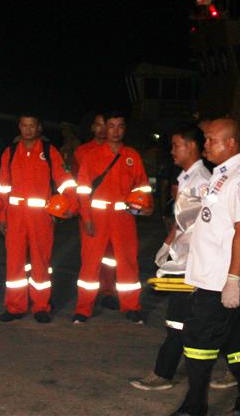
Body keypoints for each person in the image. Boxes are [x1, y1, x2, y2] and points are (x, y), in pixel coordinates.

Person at [170, 118, 240, 416]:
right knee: (239, 343)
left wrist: (233, 280)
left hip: (222, 282)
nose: (205, 144)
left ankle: (194, 406)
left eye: (211, 139)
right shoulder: (223, 174)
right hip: (216, 277)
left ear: (231, 143)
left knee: (198, 341)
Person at [132, 123, 212, 391]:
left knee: (179, 320)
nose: (172, 150)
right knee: (196, 320)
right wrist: (167, 244)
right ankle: (238, 369)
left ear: (190, 146)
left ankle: (162, 373)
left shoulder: (202, 180)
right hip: (182, 257)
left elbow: (207, 223)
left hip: (193, 262)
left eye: (176, 145)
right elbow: (182, 219)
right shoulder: (187, 176)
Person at [0, 112, 76, 323]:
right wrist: (1, 217)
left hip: (41, 217)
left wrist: (70, 204)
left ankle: (41, 306)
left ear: (39, 128)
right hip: (14, 216)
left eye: (32, 126)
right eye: (24, 125)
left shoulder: (50, 152)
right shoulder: (10, 152)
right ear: (19, 128)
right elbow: (3, 187)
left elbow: (64, 180)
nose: (28, 130)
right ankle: (15, 307)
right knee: (14, 264)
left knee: (41, 262)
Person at [74, 111, 152, 324]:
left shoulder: (132, 156)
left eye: (120, 126)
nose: (116, 131)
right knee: (90, 264)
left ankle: (131, 306)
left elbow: (142, 186)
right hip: (97, 216)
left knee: (127, 263)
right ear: (104, 128)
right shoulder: (92, 156)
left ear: (124, 129)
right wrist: (86, 217)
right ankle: (83, 309)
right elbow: (82, 189)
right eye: (111, 126)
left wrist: (146, 206)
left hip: (123, 217)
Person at [73, 112, 119, 310]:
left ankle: (109, 291)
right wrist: (81, 211)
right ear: (93, 127)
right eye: (98, 125)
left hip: (113, 214)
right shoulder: (82, 152)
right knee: (90, 256)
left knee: (111, 257)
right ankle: (86, 302)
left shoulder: (119, 151)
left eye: (105, 124)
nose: (102, 129)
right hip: (91, 211)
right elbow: (77, 182)